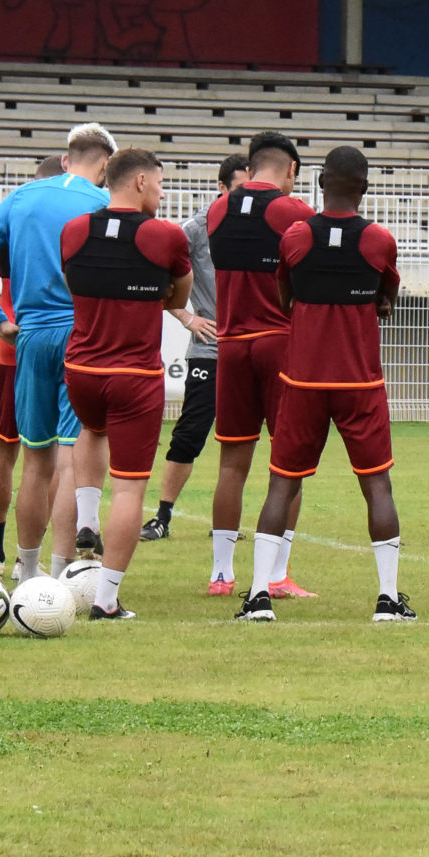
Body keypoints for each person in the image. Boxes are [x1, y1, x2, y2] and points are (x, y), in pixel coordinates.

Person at [239, 146, 414, 623]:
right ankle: (388, 599)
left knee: (282, 483)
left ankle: (258, 597)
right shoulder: (378, 239)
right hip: (359, 381)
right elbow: (387, 296)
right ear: (365, 187)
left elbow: (285, 297)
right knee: (376, 484)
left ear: (320, 183)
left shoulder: (296, 235)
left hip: (303, 379)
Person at [0, 122, 116, 583]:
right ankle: (63, 574)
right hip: (80, 336)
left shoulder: (20, 197)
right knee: (72, 457)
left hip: (30, 336)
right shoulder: (102, 203)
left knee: (35, 459)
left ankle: (26, 572)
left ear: (66, 158)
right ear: (105, 166)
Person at [59, 148, 196, 620]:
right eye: (159, 183)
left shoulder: (74, 230)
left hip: (81, 369)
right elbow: (179, 295)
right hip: (134, 375)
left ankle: (86, 521)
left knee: (90, 430)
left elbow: (73, 283)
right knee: (130, 490)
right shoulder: (165, 235)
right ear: (139, 181)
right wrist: (153, 293)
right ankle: (105, 600)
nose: (162, 192)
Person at [205, 134, 315, 598]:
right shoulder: (295, 212)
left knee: (232, 464)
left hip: (230, 344)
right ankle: (276, 574)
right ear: (291, 169)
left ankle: (221, 574)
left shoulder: (217, 210)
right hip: (279, 342)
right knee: (288, 462)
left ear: (249, 169)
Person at [142, 152, 245, 563]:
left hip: (251, 349)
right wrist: (186, 316)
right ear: (221, 188)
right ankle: (163, 515)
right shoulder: (196, 230)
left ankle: (226, 521)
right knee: (191, 431)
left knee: (242, 437)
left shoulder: (262, 227)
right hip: (210, 350)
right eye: (239, 188)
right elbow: (159, 274)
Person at [0, 156, 65, 570]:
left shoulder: (13, 208)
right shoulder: (78, 208)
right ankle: (44, 558)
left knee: (7, 447)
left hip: (16, 342)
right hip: (64, 338)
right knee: (59, 453)